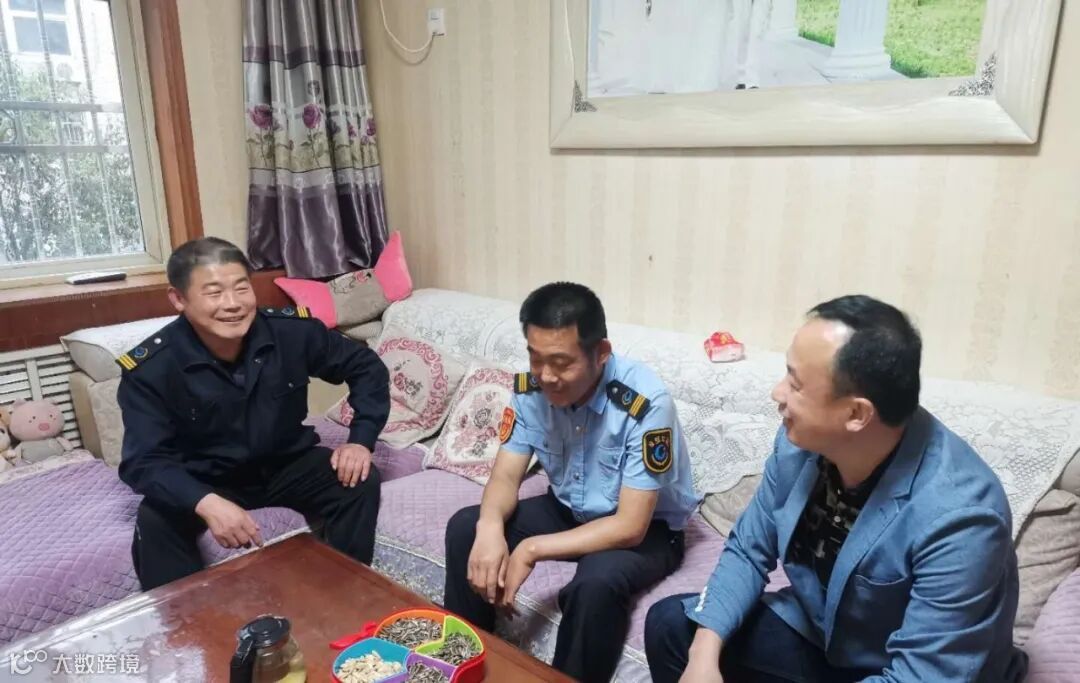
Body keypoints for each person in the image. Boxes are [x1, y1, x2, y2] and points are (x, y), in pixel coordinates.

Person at [644, 295, 1027, 683]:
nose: (777, 393)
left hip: (899, 664)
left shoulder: (962, 517)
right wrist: (703, 658)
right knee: (672, 628)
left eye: (795, 384)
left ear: (857, 413)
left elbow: (924, 675)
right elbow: (748, 549)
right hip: (825, 638)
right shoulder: (799, 445)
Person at [442, 282, 701, 682]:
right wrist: (490, 527)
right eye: (536, 358)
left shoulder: (645, 404)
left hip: (646, 530)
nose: (547, 376)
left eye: (562, 363)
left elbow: (630, 526)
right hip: (569, 510)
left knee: (596, 584)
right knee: (467, 528)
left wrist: (531, 549)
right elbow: (506, 475)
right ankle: (464, 665)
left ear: (601, 353)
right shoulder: (530, 391)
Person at [117, 237, 389, 590]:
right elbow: (144, 461)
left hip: (285, 464)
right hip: (207, 478)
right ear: (178, 299)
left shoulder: (291, 332)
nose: (232, 304)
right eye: (214, 293)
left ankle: (342, 594)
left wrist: (361, 440)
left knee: (358, 481)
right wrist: (206, 503)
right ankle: (186, 621)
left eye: (241, 288)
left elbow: (366, 367)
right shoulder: (152, 368)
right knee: (156, 519)